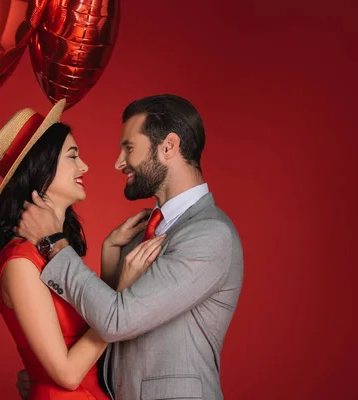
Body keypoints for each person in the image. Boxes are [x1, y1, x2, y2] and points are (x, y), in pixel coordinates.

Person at [15, 94, 244, 400]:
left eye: (129, 148)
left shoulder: (209, 235)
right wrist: (47, 375)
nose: (118, 162)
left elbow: (115, 322)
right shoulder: (139, 234)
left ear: (168, 147)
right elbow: (117, 337)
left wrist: (54, 244)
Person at [0, 99, 165, 399]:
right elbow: (66, 373)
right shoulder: (21, 262)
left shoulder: (47, 253)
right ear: (42, 169)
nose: (84, 166)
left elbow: (87, 329)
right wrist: (121, 296)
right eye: (72, 156)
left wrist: (109, 254)